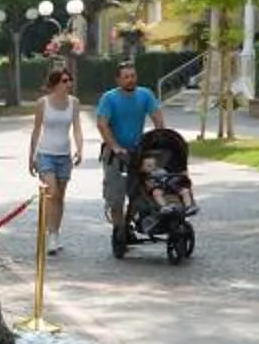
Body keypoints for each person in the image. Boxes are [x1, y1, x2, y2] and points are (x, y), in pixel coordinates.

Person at [94, 58, 164, 223]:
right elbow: (102, 125)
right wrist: (115, 147)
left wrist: (158, 141)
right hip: (115, 153)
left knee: (142, 189)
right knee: (116, 196)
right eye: (126, 77)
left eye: (133, 76)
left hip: (137, 150)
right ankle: (119, 229)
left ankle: (131, 221)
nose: (130, 79)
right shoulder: (109, 98)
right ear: (118, 80)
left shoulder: (145, 94)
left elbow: (158, 120)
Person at [26, 64, 83, 255]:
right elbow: (36, 130)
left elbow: (76, 128)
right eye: (65, 81)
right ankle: (50, 234)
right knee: (53, 191)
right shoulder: (43, 103)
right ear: (55, 84)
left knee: (60, 197)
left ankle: (55, 234)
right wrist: (31, 156)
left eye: (70, 80)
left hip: (64, 155)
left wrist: (80, 149)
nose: (69, 84)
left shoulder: (74, 102)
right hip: (46, 153)